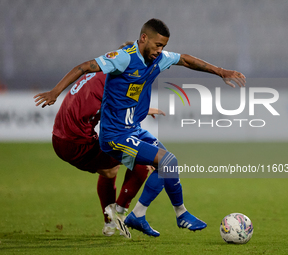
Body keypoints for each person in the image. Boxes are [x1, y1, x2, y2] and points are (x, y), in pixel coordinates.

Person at [34, 18, 246, 237]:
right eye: (157, 45)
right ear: (143, 38)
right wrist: (55, 92)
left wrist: (221, 72)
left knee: (168, 165)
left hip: (131, 129)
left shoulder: (157, 59)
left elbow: (185, 60)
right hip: (114, 135)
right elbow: (84, 67)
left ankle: (169, 214)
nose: (161, 50)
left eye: (163, 46)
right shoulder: (122, 59)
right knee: (156, 163)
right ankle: (128, 213)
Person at [35, 42, 164, 238]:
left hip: (60, 139)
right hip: (78, 142)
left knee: (109, 170)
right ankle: (120, 213)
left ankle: (110, 223)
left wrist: (55, 92)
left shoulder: (100, 71)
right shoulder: (115, 82)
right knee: (143, 162)